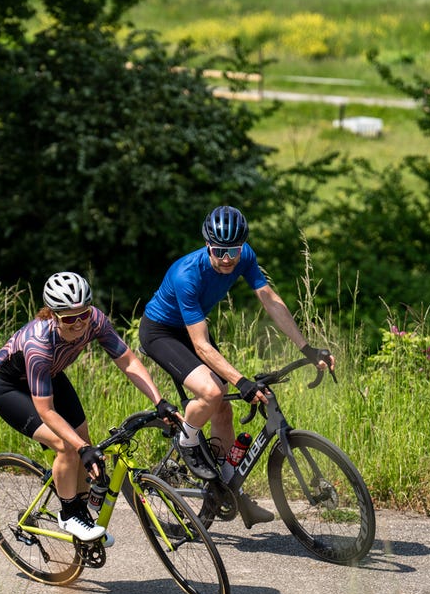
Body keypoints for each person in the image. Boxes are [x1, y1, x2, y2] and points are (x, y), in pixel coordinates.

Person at [139, 205, 335, 525]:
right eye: (220, 250)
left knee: (223, 410)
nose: (228, 257)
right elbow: (201, 345)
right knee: (213, 391)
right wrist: (242, 381)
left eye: (234, 249)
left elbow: (269, 299)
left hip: (194, 328)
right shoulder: (187, 274)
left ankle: (226, 489)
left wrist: (307, 347)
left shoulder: (244, 256)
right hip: (161, 331)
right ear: (207, 245)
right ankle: (187, 441)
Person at [0, 271, 179, 543]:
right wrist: (80, 448)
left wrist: (159, 400)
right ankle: (68, 514)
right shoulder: (39, 344)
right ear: (53, 315)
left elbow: (127, 361)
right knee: (67, 445)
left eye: (84, 315)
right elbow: (46, 411)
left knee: (85, 441)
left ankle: (81, 514)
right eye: (69, 318)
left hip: (50, 376)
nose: (79, 324)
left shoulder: (95, 321)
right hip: (10, 388)